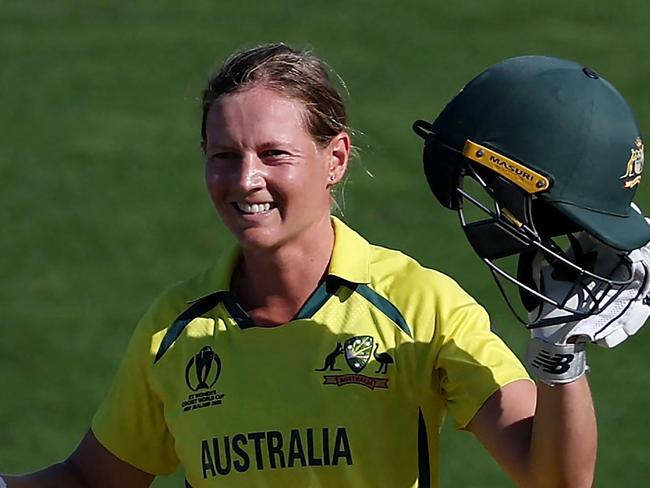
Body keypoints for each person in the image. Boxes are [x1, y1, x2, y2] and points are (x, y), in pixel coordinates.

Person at [1, 44, 647, 488]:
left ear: (334, 159)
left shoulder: (419, 306)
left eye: (274, 153)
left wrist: (561, 358)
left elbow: (557, 476)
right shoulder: (176, 327)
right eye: (223, 155)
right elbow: (93, 479)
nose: (244, 178)